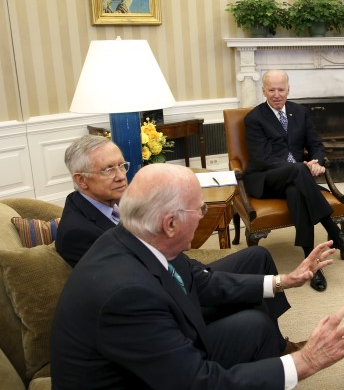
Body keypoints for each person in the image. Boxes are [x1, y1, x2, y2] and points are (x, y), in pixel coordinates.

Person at [48, 163, 344, 390]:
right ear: (170, 223)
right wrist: (306, 361)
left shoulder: (136, 237)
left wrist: (287, 280)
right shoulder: (127, 296)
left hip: (150, 374)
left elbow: (201, 281)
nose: (204, 217)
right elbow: (197, 389)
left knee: (255, 326)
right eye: (200, 210)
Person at [56, 135, 298, 345]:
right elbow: (141, 285)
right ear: (81, 180)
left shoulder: (114, 201)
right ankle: (269, 349)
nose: (121, 176)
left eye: (122, 166)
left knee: (258, 257)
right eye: (108, 170)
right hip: (168, 294)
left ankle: (276, 344)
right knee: (248, 301)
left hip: (180, 270)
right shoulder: (78, 233)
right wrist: (200, 278)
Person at [244, 69, 344, 292]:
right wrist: (302, 166)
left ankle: (311, 266)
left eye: (281, 89)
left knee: (296, 191)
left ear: (288, 90)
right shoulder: (254, 118)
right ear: (263, 91)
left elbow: (316, 144)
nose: (277, 94)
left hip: (294, 179)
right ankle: (336, 233)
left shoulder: (300, 112)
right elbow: (263, 159)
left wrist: (317, 161)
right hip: (265, 178)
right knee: (299, 172)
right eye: (271, 89)